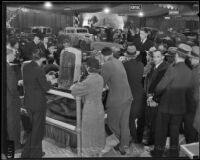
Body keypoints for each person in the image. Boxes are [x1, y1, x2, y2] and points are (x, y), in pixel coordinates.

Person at [151, 43, 193, 157]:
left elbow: (160, 87)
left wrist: (155, 95)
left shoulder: (172, 68)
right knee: (175, 132)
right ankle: (174, 153)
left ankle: (158, 152)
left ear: (177, 55)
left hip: (166, 106)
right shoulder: (190, 71)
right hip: (180, 108)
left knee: (161, 131)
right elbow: (190, 92)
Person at [101, 47, 133, 155]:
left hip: (117, 99)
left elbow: (101, 83)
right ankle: (124, 146)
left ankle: (125, 140)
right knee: (124, 124)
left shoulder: (106, 65)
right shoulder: (118, 61)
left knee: (112, 123)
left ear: (103, 56)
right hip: (128, 96)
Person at [71, 58, 105, 157]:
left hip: (90, 110)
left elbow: (75, 91)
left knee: (88, 133)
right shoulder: (100, 77)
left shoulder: (89, 80)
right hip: (99, 107)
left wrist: (76, 84)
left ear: (88, 68)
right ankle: (98, 152)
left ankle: (88, 153)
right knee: (98, 131)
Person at [21, 49, 51, 158]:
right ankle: (35, 155)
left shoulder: (26, 67)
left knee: (32, 129)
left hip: (28, 102)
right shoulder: (39, 70)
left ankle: (28, 153)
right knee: (37, 130)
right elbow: (46, 88)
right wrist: (50, 80)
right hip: (38, 104)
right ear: (43, 58)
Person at [145, 50, 169, 146]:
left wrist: (153, 98)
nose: (155, 59)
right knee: (152, 120)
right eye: (154, 57)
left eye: (158, 57)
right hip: (151, 97)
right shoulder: (155, 66)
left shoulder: (164, 68)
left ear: (162, 57)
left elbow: (162, 86)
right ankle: (151, 140)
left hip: (157, 100)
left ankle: (153, 143)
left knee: (156, 122)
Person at [123, 45, 145, 144]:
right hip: (139, 93)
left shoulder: (124, 65)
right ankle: (138, 137)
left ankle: (133, 137)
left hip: (129, 93)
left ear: (127, 55)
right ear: (135, 55)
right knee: (138, 117)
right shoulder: (141, 65)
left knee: (130, 117)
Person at [6, 49, 22, 153]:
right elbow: (11, 87)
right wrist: (18, 97)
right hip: (11, 100)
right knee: (13, 123)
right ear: (9, 55)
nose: (14, 57)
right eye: (13, 54)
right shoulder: (8, 67)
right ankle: (15, 147)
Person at [183, 46, 199, 143]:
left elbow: (194, 94)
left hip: (193, 109)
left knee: (190, 134)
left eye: (191, 58)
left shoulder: (195, 73)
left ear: (197, 59)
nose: (189, 59)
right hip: (194, 108)